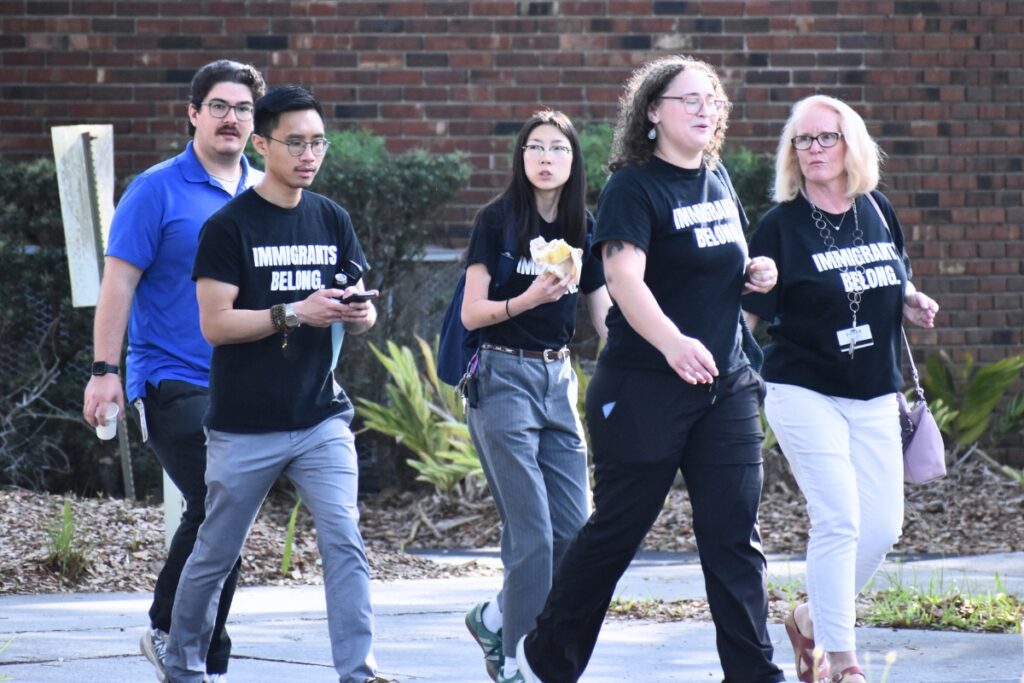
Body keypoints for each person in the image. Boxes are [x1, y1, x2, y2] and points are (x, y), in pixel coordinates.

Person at [515, 55, 784, 683]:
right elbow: (621, 276)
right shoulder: (634, 186)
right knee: (616, 533)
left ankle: (754, 675)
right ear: (653, 113)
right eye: (688, 99)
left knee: (734, 540)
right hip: (645, 386)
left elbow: (721, 264)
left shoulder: (716, 177)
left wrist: (756, 273)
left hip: (726, 384)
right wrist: (672, 344)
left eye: (711, 99)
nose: (703, 109)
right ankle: (541, 660)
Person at [162, 86, 388, 683]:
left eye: (318, 142)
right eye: (295, 142)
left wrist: (359, 313)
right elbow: (215, 324)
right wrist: (294, 313)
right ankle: (182, 664)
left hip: (320, 419)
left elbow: (356, 300)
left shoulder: (331, 217)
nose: (309, 154)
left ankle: (358, 673)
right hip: (244, 425)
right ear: (261, 144)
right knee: (215, 553)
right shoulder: (228, 227)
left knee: (344, 541)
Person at [742, 95, 939, 683]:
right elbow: (747, 315)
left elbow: (890, 271)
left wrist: (910, 298)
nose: (814, 150)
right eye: (803, 141)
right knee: (839, 520)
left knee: (882, 527)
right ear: (792, 153)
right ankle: (843, 663)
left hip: (876, 389)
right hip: (804, 389)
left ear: (851, 143)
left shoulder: (876, 208)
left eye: (825, 138)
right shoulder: (779, 226)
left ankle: (808, 619)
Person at [81, 59, 266, 683]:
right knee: (223, 504)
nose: (231, 119)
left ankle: (183, 635)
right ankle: (186, 639)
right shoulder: (155, 189)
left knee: (220, 511)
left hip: (246, 384)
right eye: (219, 106)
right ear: (193, 113)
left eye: (243, 109)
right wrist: (105, 370)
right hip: (172, 380)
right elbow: (119, 283)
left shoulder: (266, 193)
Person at [460, 110, 612, 683]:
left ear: (573, 161)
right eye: (535, 147)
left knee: (574, 532)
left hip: (558, 381)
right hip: (501, 377)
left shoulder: (583, 226)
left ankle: (495, 615)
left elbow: (603, 316)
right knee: (531, 535)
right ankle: (521, 664)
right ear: (521, 159)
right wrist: (528, 298)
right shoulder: (496, 221)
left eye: (558, 148)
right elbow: (474, 312)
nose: (546, 157)